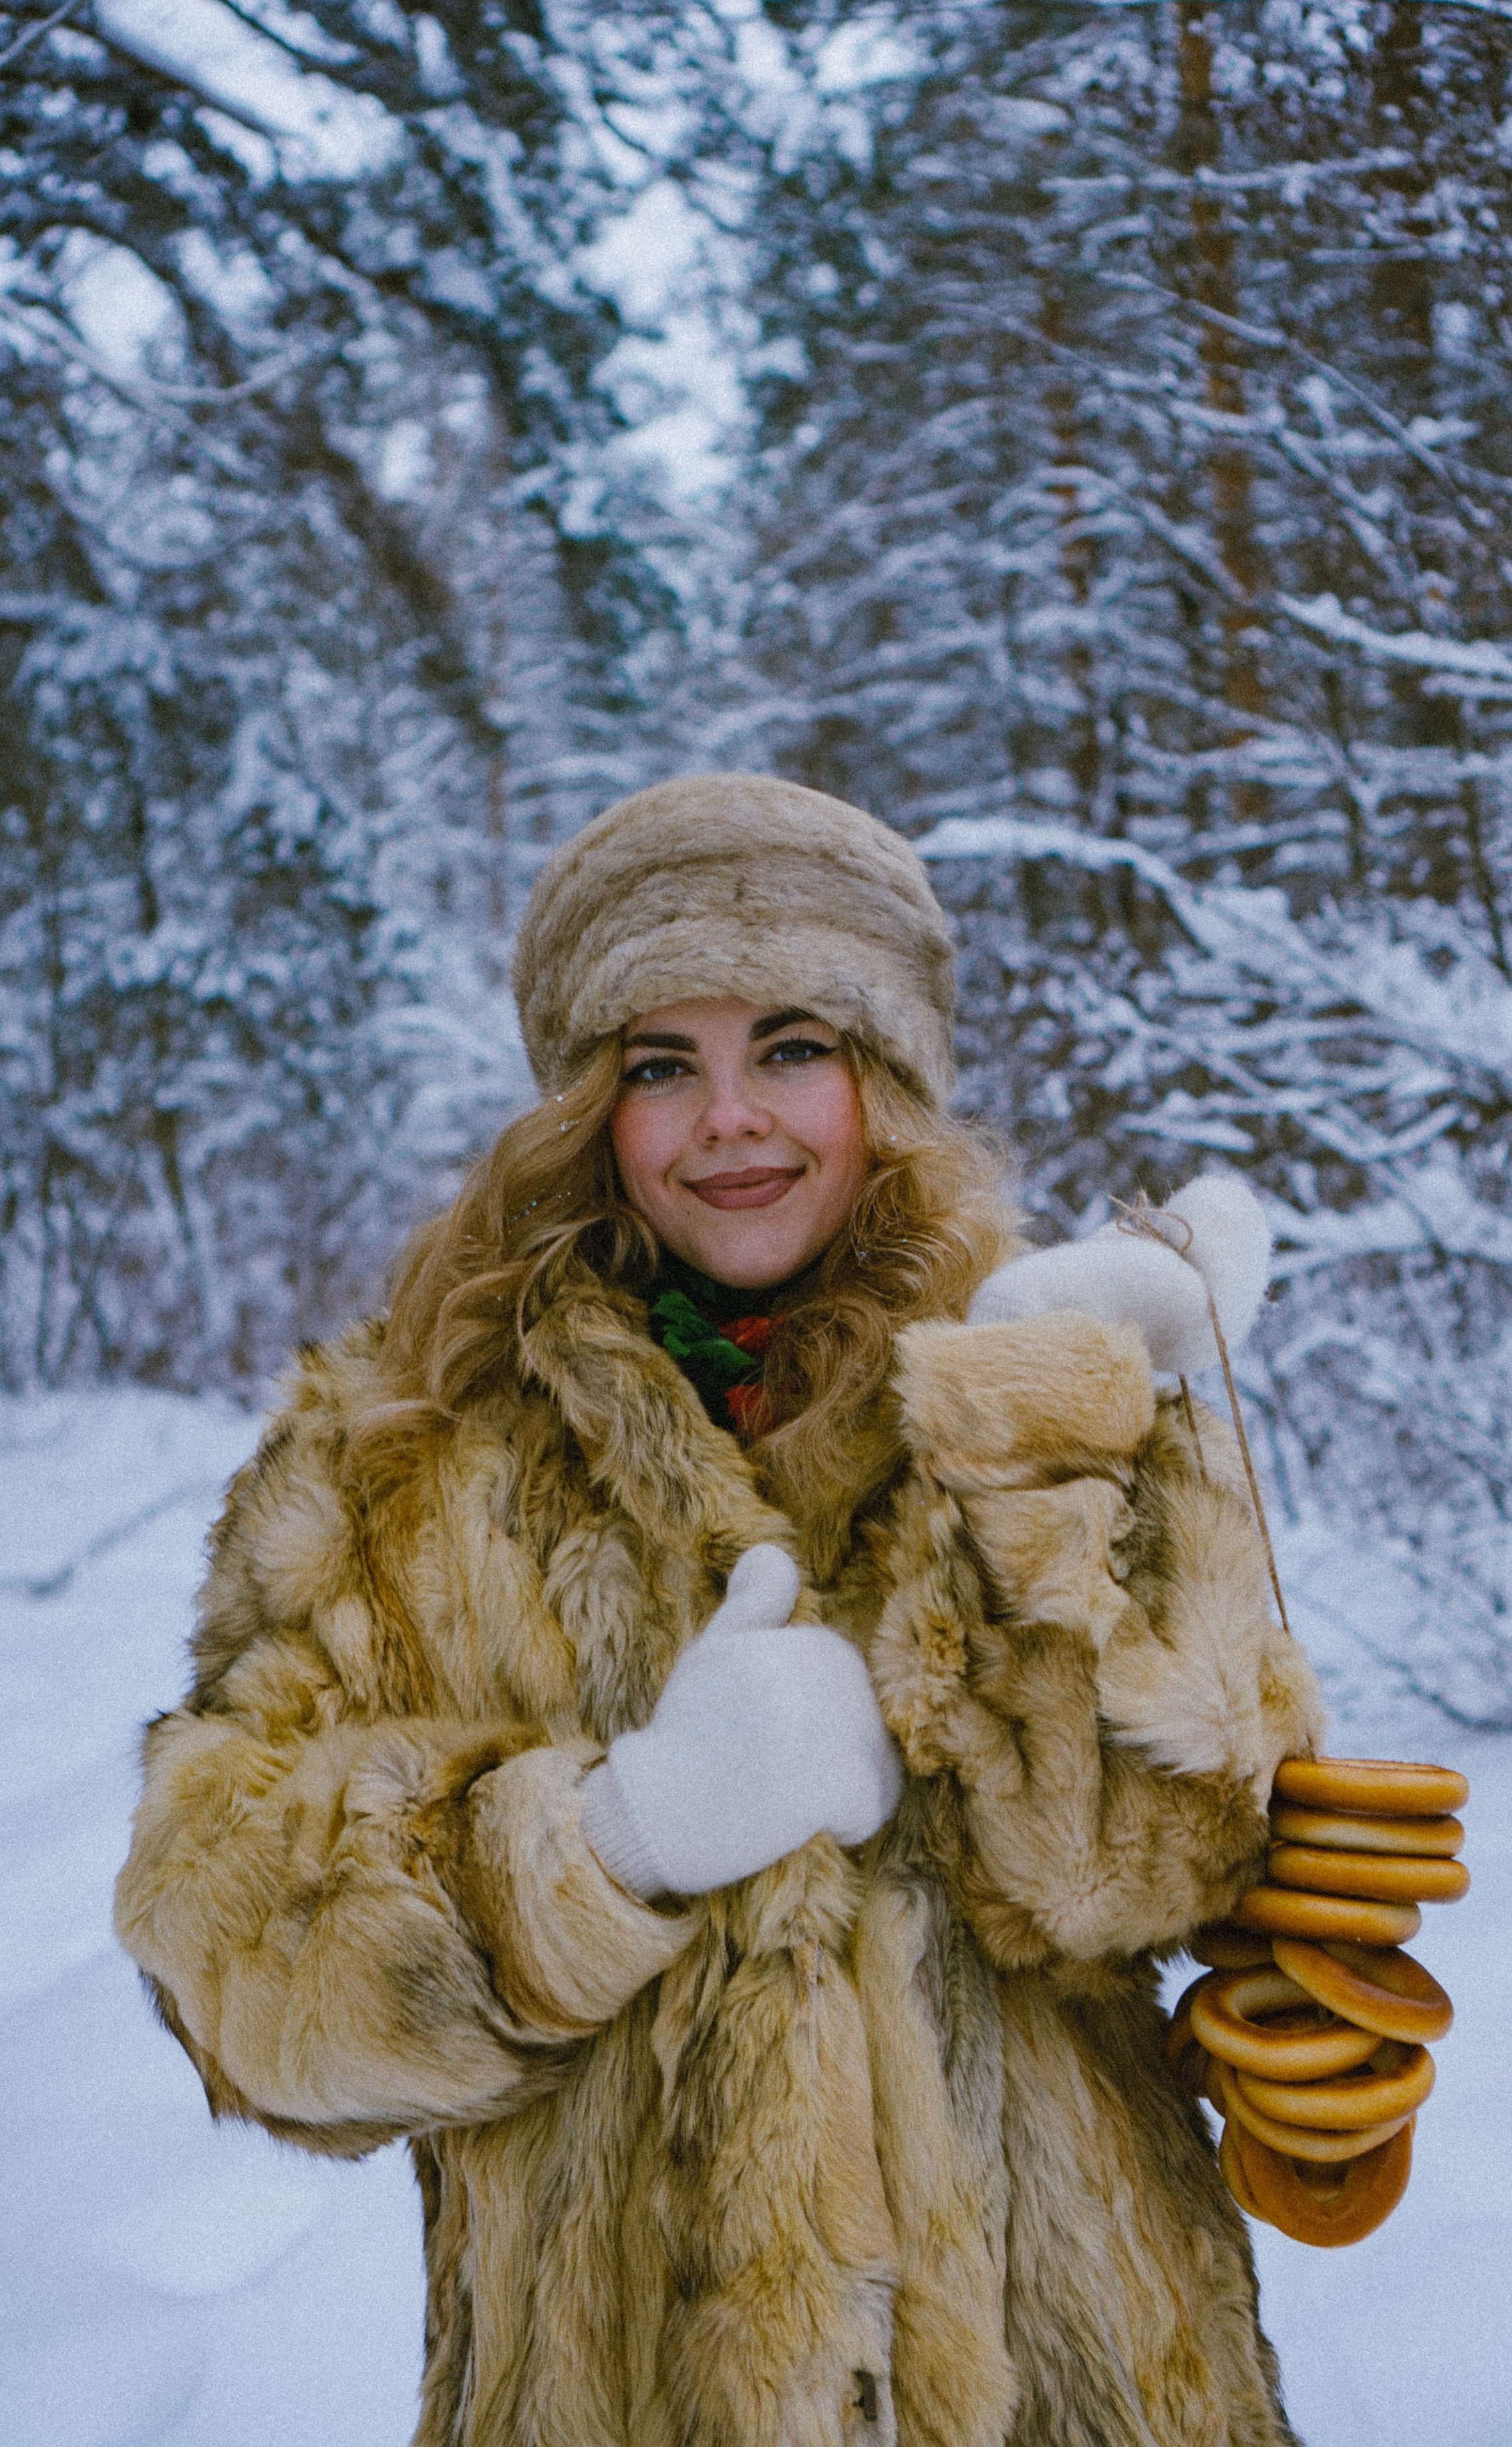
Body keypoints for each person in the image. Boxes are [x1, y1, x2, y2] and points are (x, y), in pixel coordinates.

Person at [114, 774, 1323, 2447]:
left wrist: (1046, 1448)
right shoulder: (403, 1451)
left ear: (882, 1077)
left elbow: (1159, 1863)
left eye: (790, 1048)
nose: (728, 1121)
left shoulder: (1029, 1380)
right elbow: (224, 1956)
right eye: (659, 1066)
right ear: (587, 1108)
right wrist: (605, 1846)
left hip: (1080, 2389)